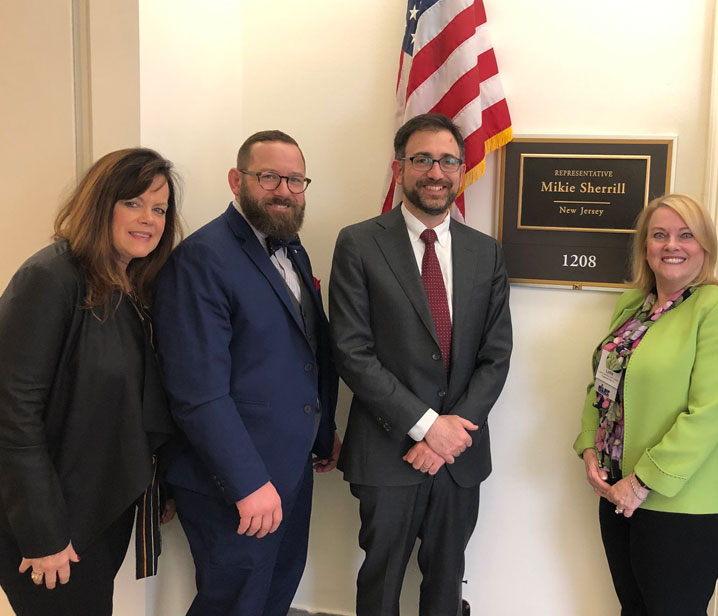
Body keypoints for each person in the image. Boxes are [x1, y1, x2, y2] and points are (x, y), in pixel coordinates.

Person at [329, 113, 512, 616]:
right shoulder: (359, 243)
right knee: (381, 579)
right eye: (423, 159)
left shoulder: (486, 252)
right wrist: (428, 427)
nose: (436, 171)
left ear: (461, 169)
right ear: (399, 169)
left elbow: (496, 356)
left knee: (448, 579)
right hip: (388, 450)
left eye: (448, 160)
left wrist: (450, 436)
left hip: (460, 457)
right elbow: (352, 350)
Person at [152, 130, 339, 616]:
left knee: (274, 595)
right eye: (269, 176)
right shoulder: (202, 259)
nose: (284, 190)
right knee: (234, 605)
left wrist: (321, 432)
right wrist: (247, 484)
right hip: (233, 484)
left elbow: (305, 349)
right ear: (237, 180)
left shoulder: (290, 247)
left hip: (289, 471)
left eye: (295, 179)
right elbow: (198, 394)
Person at [0, 148, 181, 614]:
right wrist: (43, 534)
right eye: (133, 202)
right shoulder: (51, 277)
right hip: (46, 522)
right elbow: (13, 414)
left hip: (98, 512)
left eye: (159, 208)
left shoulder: (133, 286)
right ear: (101, 203)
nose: (149, 219)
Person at [573, 193, 718, 616]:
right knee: (634, 607)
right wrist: (588, 448)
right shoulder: (631, 305)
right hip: (616, 489)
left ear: (704, 246)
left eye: (685, 235)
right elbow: (602, 384)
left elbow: (710, 413)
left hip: (687, 500)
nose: (671, 245)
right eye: (659, 235)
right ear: (645, 248)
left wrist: (641, 483)